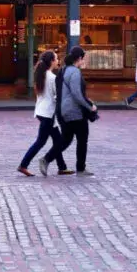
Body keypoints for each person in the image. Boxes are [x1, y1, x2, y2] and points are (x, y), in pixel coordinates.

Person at [42, 46, 99, 177]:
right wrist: (90, 106)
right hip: (75, 112)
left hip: (63, 110)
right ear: (79, 58)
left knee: (66, 139)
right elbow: (77, 94)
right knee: (82, 139)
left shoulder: (63, 70)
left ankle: (46, 159)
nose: (84, 60)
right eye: (83, 57)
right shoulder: (74, 72)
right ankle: (80, 168)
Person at [17, 51, 72, 177]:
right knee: (41, 141)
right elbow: (57, 96)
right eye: (57, 59)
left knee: (57, 140)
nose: (58, 61)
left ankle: (62, 167)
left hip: (42, 111)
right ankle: (23, 165)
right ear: (52, 61)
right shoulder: (52, 77)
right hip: (48, 113)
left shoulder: (41, 75)